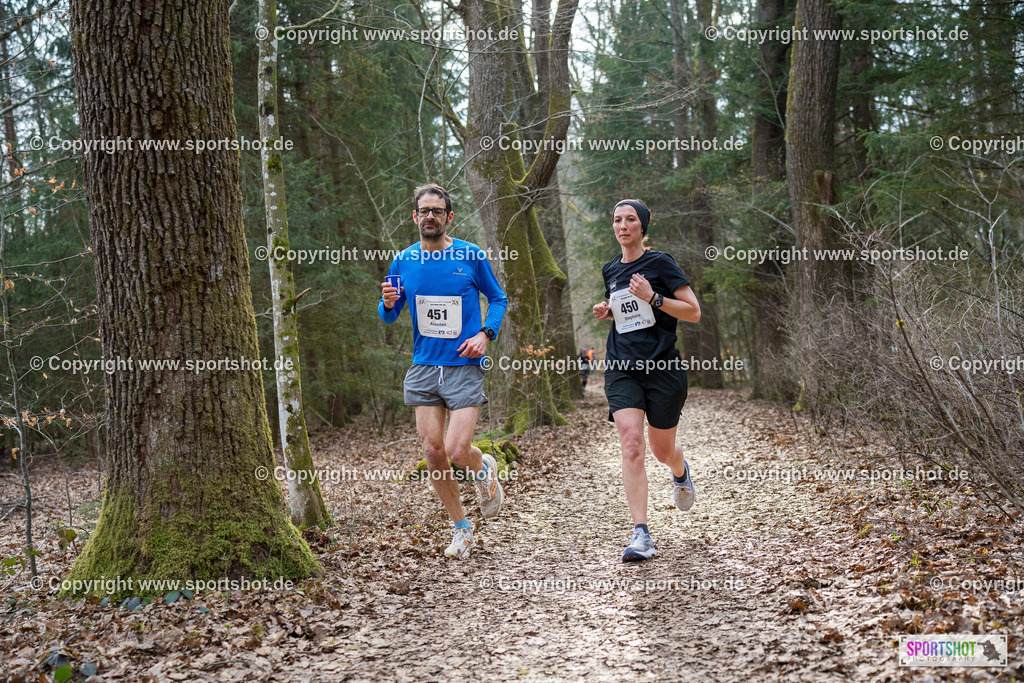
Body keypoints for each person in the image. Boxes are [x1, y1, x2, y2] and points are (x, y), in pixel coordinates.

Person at [379, 184, 509, 559]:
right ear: (415, 217)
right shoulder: (404, 260)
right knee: (433, 451)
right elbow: (389, 314)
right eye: (424, 211)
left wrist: (485, 334)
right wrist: (386, 304)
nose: (430, 216)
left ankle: (482, 468)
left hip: (463, 365)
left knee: (456, 450)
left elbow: (498, 298)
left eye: (437, 211)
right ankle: (461, 529)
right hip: (424, 365)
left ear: (449, 217)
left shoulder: (470, 255)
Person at [592, 199, 701, 562]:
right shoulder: (610, 270)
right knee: (632, 443)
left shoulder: (660, 263)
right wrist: (609, 311)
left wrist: (653, 297)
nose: (622, 225)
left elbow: (693, 312)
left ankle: (679, 470)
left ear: (642, 226)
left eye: (630, 219)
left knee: (661, 451)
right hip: (622, 366)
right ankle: (641, 534)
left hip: (663, 368)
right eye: (617, 219)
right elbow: (628, 314)